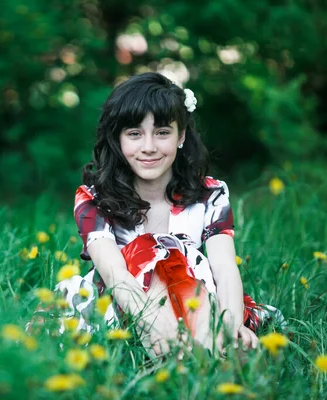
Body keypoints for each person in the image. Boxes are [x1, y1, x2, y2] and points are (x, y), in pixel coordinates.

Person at [57, 72, 281, 358]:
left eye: (162, 132)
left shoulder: (209, 194)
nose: (149, 147)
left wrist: (232, 325)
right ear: (118, 139)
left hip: (194, 302)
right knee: (151, 248)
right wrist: (161, 326)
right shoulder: (94, 199)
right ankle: (191, 359)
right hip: (122, 305)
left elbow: (224, 269)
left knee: (178, 258)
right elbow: (115, 276)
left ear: (181, 136)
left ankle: (203, 356)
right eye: (135, 133)